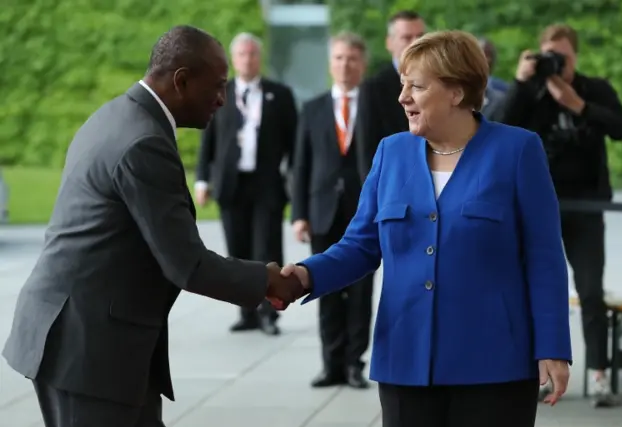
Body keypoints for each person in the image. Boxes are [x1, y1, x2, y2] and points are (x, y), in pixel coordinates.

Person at [2, 26, 304, 427]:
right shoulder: (142, 141)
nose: (222, 100)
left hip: (96, 340)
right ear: (181, 81)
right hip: (87, 350)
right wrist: (267, 280)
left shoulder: (119, 114)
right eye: (217, 87)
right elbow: (187, 264)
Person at [279, 30, 572, 427]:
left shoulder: (518, 151)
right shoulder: (391, 152)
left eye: (416, 86)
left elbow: (545, 258)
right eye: (403, 85)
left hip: (495, 364)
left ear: (456, 92)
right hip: (405, 360)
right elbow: (360, 246)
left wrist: (552, 346)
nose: (402, 98)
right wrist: (304, 274)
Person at [495, 23, 622, 407]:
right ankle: (535, 373)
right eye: (549, 56)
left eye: (563, 57)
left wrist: (579, 105)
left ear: (575, 56)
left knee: (590, 291)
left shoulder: (594, 89)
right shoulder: (532, 92)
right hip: (538, 207)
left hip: (585, 205)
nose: (556, 64)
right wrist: (522, 82)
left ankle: (599, 374)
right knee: (531, 290)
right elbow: (498, 127)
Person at [195, 32, 298, 336]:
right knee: (238, 251)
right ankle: (247, 312)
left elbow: (295, 143)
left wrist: (293, 177)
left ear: (259, 58)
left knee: (266, 248)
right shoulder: (220, 93)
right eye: (242, 54)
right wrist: (203, 179)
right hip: (231, 183)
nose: (248, 59)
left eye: (253, 54)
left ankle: (270, 313)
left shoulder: (279, 94)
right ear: (233, 59)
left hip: (266, 183)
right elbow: (208, 141)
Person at [291, 31, 372, 389]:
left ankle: (355, 362)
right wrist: (299, 213)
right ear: (330, 63)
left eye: (352, 58)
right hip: (322, 209)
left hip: (363, 211)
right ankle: (331, 363)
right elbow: (300, 165)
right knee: (323, 287)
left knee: (360, 292)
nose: (345, 65)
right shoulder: (313, 108)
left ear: (362, 63)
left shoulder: (376, 106)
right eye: (338, 58)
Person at [356, 10, 425, 178]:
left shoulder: (439, 82)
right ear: (389, 43)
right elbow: (366, 149)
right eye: (407, 38)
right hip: (393, 182)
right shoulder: (373, 88)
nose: (415, 43)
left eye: (420, 37)